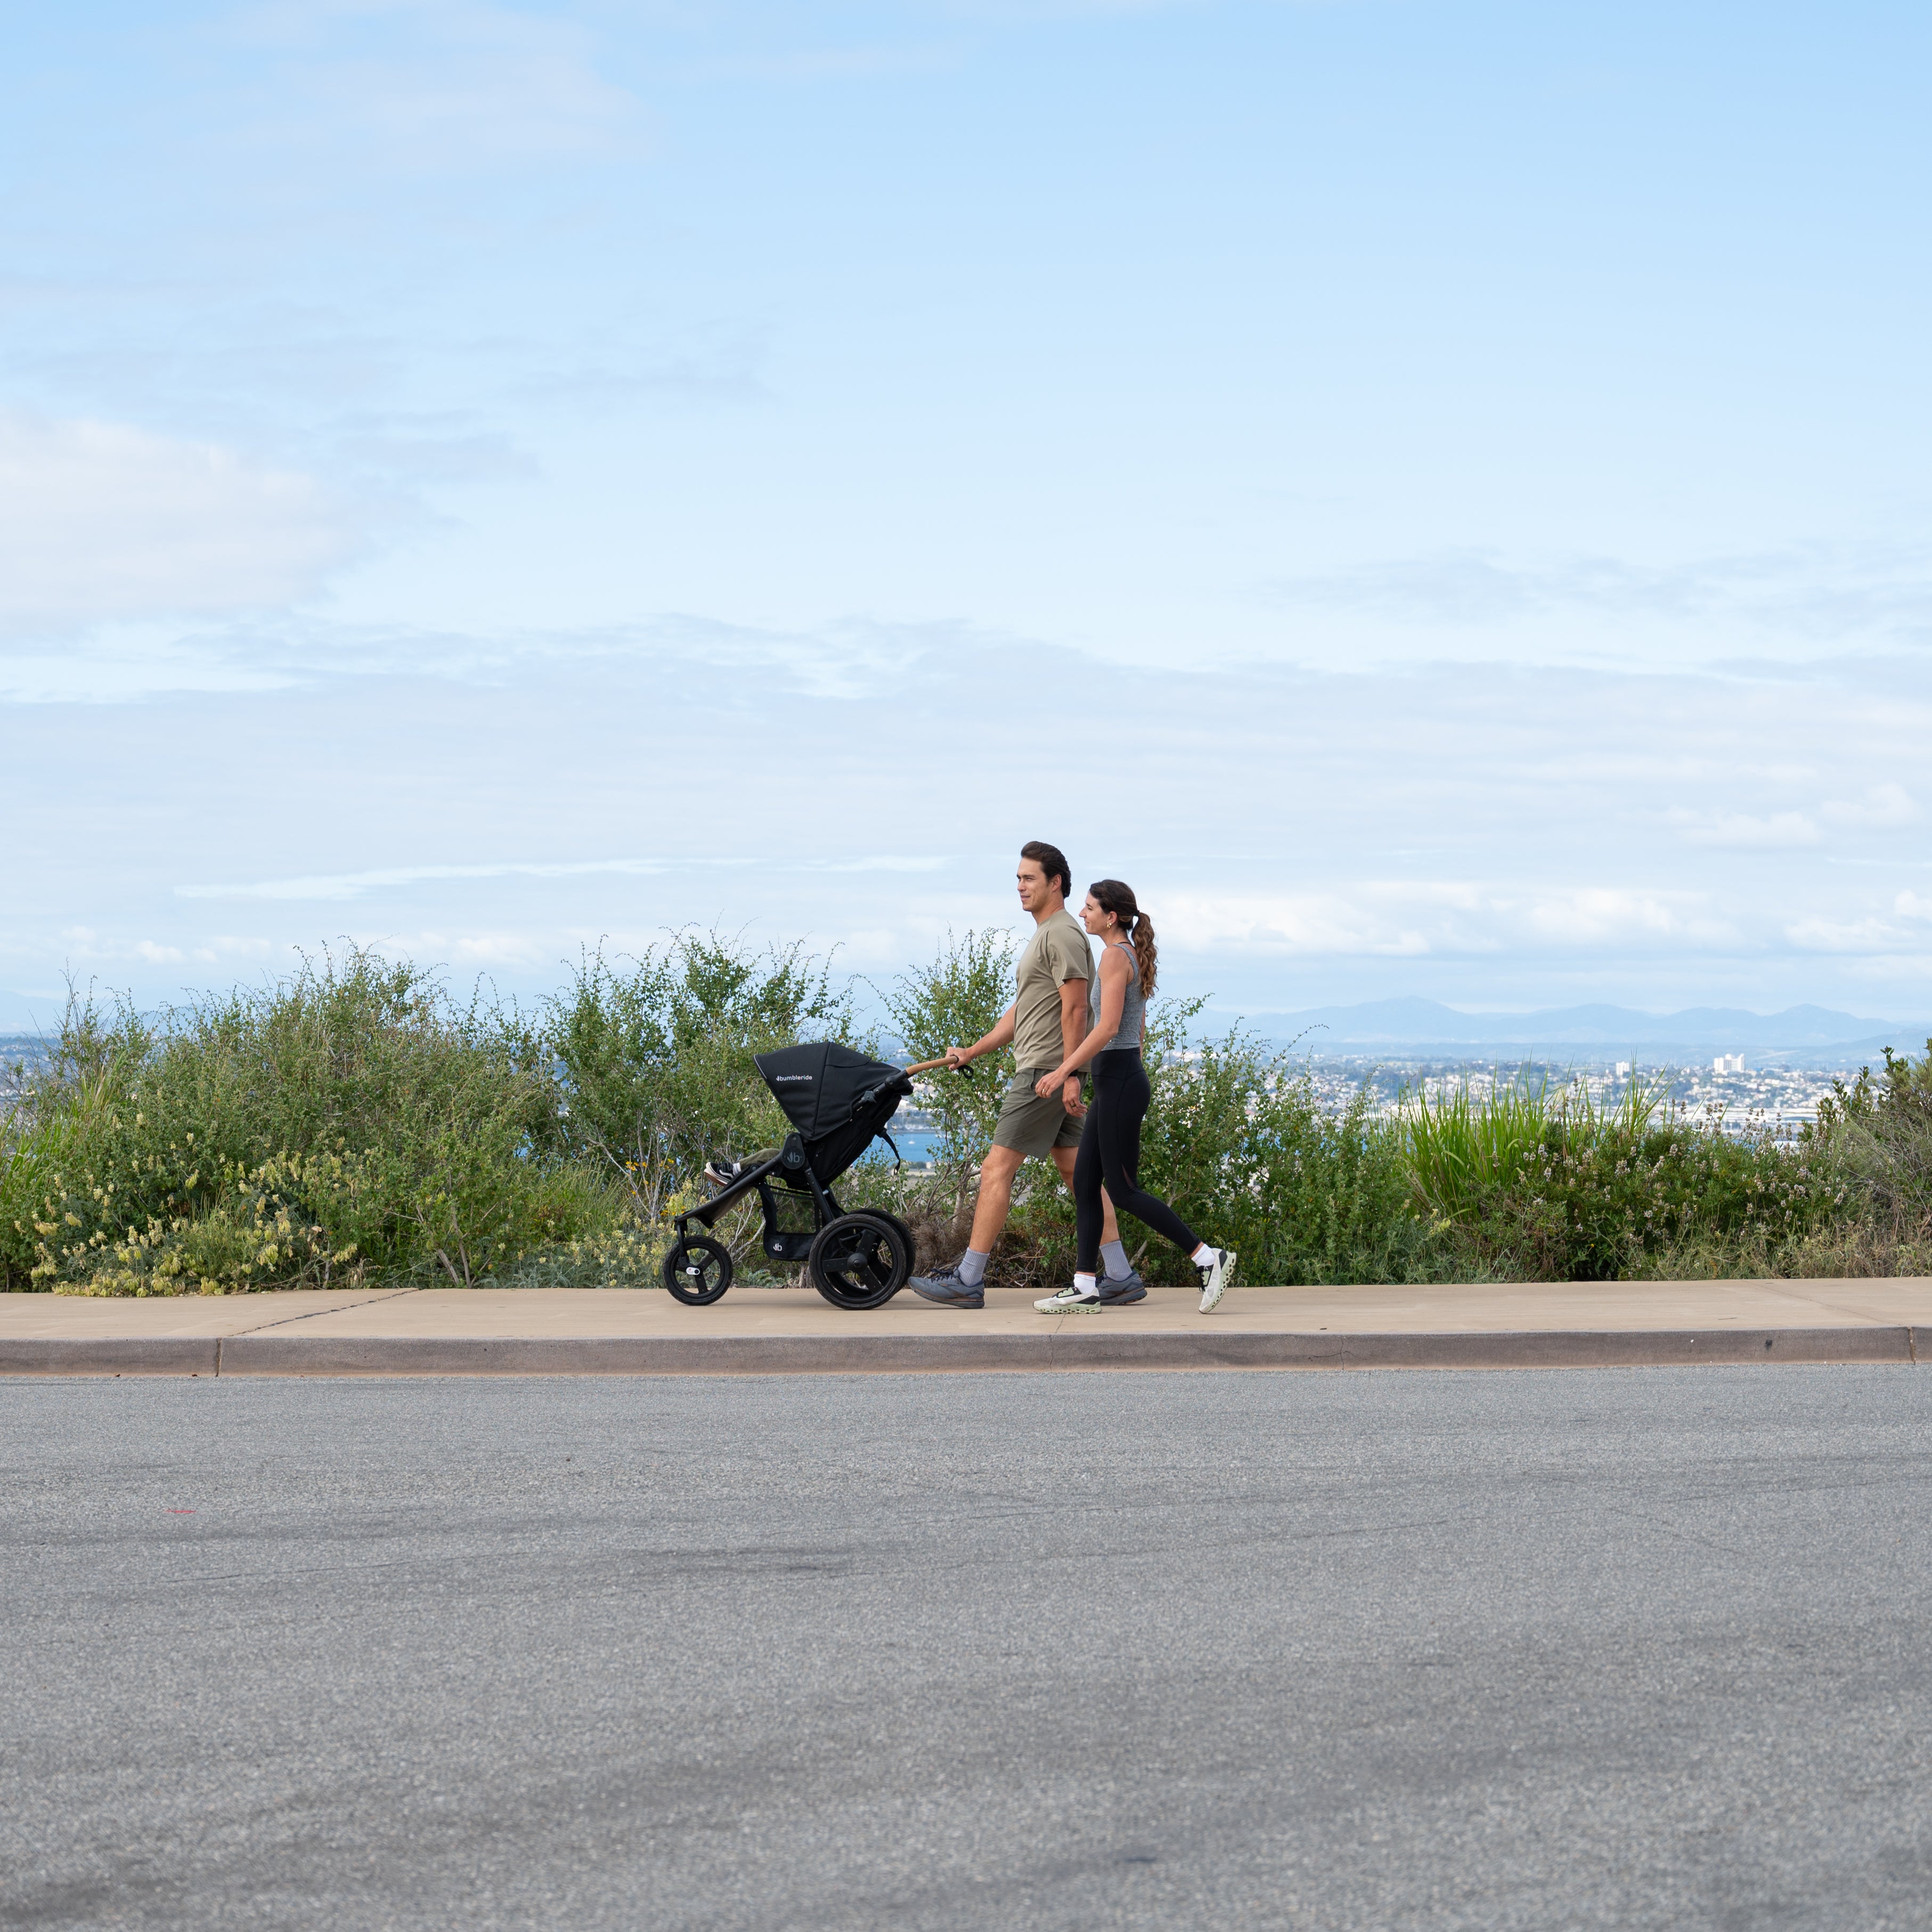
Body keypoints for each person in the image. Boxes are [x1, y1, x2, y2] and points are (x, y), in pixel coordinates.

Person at [909, 840, 1131, 1309]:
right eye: (1017, 878)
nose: (1020, 886)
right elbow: (1024, 1010)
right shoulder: (1047, 934)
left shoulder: (1063, 934)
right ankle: (1120, 1273)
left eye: (1028, 878)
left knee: (995, 1169)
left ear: (1055, 883)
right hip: (1051, 1068)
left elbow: (1075, 1008)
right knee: (1077, 1173)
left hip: (1044, 1072)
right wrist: (973, 1050)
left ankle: (968, 1278)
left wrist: (1069, 1074)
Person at [1028, 879, 1237, 1315]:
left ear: (1111, 916)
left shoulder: (1112, 956)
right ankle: (1085, 1285)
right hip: (1117, 1080)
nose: (1081, 914)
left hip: (1120, 1080)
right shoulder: (1125, 955)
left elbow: (1106, 1029)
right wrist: (1097, 1081)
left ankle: (1207, 1257)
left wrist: (1065, 1071)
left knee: (1121, 1190)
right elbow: (1134, 1030)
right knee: (1086, 1182)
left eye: (1088, 908)